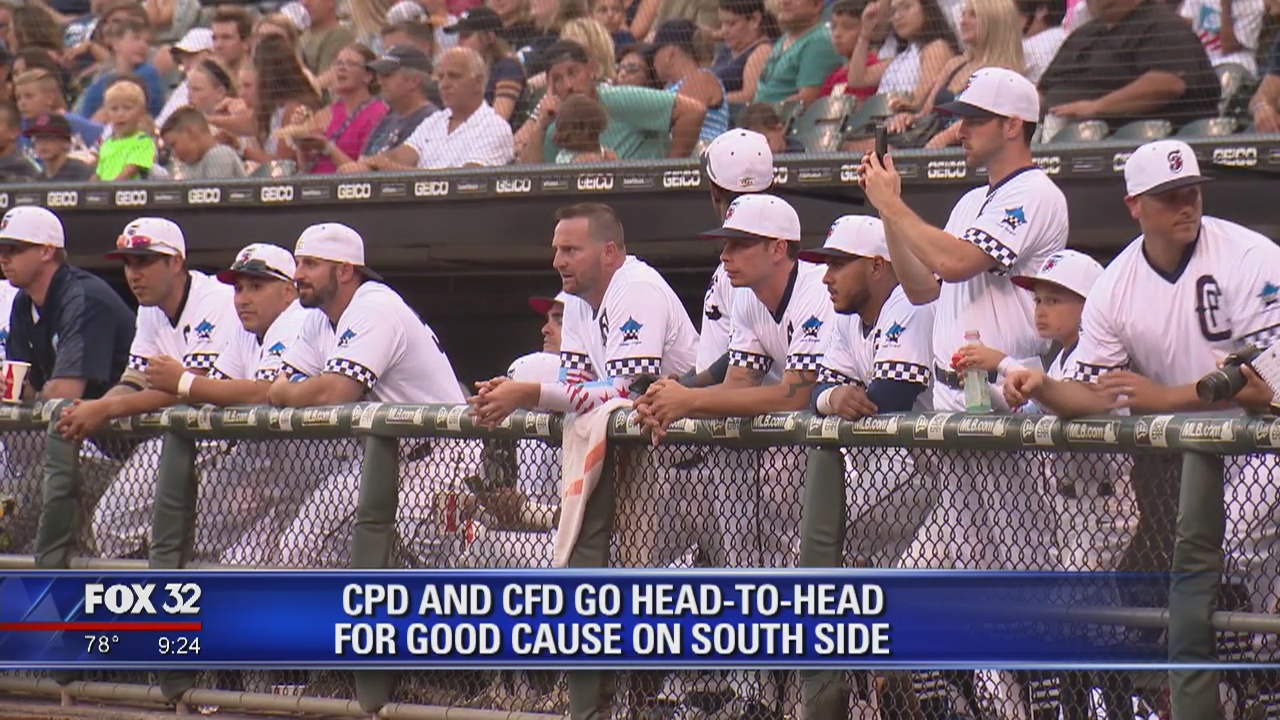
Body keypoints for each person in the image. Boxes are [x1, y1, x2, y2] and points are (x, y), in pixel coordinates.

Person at [1004, 140, 1280, 644]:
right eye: (1170, 196)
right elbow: (1096, 395)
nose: (1186, 205)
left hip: (1266, 440)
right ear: (1135, 205)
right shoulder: (1116, 286)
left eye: (1192, 192)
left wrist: (1162, 398)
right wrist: (1046, 387)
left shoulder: (1250, 257)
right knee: (1226, 579)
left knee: (1235, 546)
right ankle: (1248, 672)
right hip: (1201, 454)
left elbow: (1266, 383)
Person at [467, 204, 698, 720]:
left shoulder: (635, 287)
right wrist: (520, 390)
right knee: (634, 594)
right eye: (556, 249)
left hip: (717, 465)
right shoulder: (576, 302)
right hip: (659, 467)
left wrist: (529, 393)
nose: (558, 261)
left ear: (609, 252)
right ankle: (641, 703)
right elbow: (578, 386)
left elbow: (625, 389)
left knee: (745, 588)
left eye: (570, 249)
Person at [797, 214, 940, 718]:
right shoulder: (847, 317)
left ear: (879, 266)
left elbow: (889, 397)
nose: (826, 276)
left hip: (957, 476)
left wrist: (841, 398)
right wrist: (833, 397)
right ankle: (876, 694)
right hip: (911, 474)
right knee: (862, 588)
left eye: (839, 263)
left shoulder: (910, 302)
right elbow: (817, 392)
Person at [266, 222, 472, 568]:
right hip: (380, 458)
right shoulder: (319, 318)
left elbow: (334, 391)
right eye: (298, 263)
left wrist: (292, 392)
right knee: (297, 551)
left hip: (441, 457)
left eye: (311, 264)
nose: (297, 274)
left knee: (419, 563)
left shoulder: (374, 306)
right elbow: (283, 382)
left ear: (345, 271)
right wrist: (295, 390)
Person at [58, 217, 239, 560]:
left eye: (144, 261)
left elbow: (192, 387)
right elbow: (135, 379)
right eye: (128, 263)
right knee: (87, 468)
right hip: (179, 436)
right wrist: (92, 409)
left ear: (176, 262)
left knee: (120, 524)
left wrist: (105, 409)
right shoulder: (149, 309)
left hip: (225, 439)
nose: (133, 273)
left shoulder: (216, 298)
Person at [141, 243, 309, 561]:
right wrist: (185, 385)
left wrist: (183, 381)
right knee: (233, 561)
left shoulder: (297, 320)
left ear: (289, 292)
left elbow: (263, 392)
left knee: (303, 559)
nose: (243, 299)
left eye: (256, 287)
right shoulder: (248, 330)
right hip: (280, 476)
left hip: (322, 473)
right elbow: (214, 388)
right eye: (239, 288)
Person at [0, 207, 136, 553]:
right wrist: (29, 391)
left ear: (47, 251)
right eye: (2, 249)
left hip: (127, 454)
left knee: (17, 524)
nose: (4, 257)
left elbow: (64, 392)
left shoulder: (83, 296)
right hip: (77, 447)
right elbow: (20, 388)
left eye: (14, 248)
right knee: (22, 529)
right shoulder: (23, 303)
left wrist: (37, 393)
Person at [514, 39, 706, 163]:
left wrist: (668, 172)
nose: (568, 85)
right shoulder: (556, 127)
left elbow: (693, 111)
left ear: (591, 69)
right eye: (557, 79)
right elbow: (529, 176)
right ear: (551, 87)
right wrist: (540, 125)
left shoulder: (622, 99)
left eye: (573, 72)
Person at [341, 47, 513, 171]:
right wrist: (366, 164)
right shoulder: (435, 121)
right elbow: (401, 156)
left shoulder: (494, 127)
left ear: (478, 81)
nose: (444, 84)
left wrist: (387, 167)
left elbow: (463, 183)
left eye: (454, 76)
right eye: (441, 77)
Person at [94, 78, 156, 181]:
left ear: (141, 113)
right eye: (114, 109)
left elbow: (130, 171)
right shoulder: (107, 143)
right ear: (106, 114)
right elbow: (99, 174)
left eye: (127, 108)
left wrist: (110, 187)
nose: (120, 114)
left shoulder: (143, 142)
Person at [160, 106, 246, 179]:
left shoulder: (219, 154)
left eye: (173, 145)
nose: (174, 153)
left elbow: (215, 192)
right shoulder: (187, 165)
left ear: (190, 132)